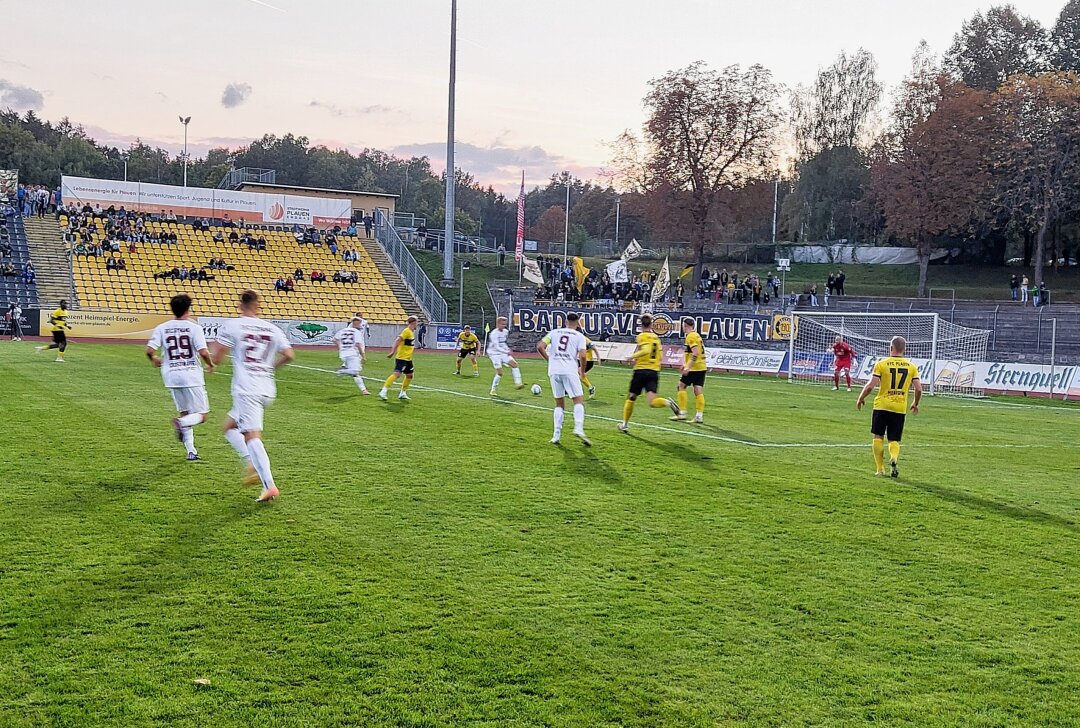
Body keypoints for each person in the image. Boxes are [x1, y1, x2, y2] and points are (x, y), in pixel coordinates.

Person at [210, 290, 295, 502]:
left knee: (251, 436)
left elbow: (218, 357)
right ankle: (251, 463)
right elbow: (289, 355)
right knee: (229, 427)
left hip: (248, 389)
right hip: (267, 388)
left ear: (241, 305)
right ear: (258, 305)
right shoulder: (271, 328)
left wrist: (210, 361)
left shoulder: (233, 325)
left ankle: (269, 485)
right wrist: (270, 368)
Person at [145, 294, 214, 461]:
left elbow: (149, 350)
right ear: (188, 309)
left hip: (171, 376)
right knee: (202, 415)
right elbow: (203, 351)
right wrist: (210, 364)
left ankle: (191, 451)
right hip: (191, 374)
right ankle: (181, 424)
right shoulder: (194, 327)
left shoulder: (162, 327)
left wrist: (154, 359)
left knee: (185, 412)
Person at [856, 336, 922, 478]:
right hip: (899, 407)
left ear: (891, 348)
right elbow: (919, 389)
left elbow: (871, 385)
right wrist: (915, 403)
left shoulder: (882, 364)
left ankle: (880, 469)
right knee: (893, 439)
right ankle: (894, 457)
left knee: (878, 436)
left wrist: (861, 397)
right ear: (904, 349)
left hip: (881, 405)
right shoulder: (911, 367)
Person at [617, 314, 681, 432]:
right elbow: (661, 356)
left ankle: (625, 424)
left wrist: (631, 357)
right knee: (652, 402)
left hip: (641, 371)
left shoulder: (642, 336)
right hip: (654, 372)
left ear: (641, 325)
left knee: (631, 397)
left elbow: (646, 350)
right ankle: (668, 403)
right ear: (651, 325)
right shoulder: (656, 338)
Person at [536, 312, 590, 446]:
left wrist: (549, 359)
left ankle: (556, 436)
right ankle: (578, 428)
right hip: (569, 370)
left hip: (554, 371)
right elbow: (583, 356)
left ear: (565, 321)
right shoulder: (579, 336)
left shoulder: (554, 332)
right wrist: (582, 371)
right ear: (578, 323)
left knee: (559, 403)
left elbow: (540, 346)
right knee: (578, 400)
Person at [671, 317, 706, 423]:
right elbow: (693, 353)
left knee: (681, 386)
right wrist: (685, 364)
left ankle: (682, 413)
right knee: (698, 390)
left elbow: (695, 353)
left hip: (694, 368)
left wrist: (688, 367)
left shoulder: (690, 336)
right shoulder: (697, 335)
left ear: (685, 325)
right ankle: (699, 416)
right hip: (702, 366)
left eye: (683, 325)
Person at [380, 316, 419, 401]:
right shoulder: (406, 331)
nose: (417, 325)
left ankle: (403, 393)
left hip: (408, 358)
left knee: (409, 375)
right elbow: (397, 340)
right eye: (417, 323)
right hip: (402, 358)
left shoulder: (411, 332)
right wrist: (392, 351)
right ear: (413, 323)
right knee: (397, 374)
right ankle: (383, 390)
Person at [486, 316, 523, 395]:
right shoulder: (493, 334)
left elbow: (503, 343)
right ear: (498, 324)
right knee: (500, 373)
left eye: (505, 324)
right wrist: (506, 351)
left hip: (503, 352)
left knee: (515, 364)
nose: (504, 326)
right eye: (502, 324)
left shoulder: (505, 332)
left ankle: (518, 383)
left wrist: (507, 349)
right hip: (494, 353)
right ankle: (493, 390)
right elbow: (496, 346)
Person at [334, 316, 370, 395]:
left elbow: (335, 338)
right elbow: (358, 344)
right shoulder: (356, 332)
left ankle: (364, 390)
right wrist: (363, 355)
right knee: (355, 371)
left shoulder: (342, 330)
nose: (361, 325)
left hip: (343, 353)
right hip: (352, 353)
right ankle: (341, 372)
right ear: (356, 323)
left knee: (355, 374)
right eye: (360, 323)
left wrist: (340, 347)